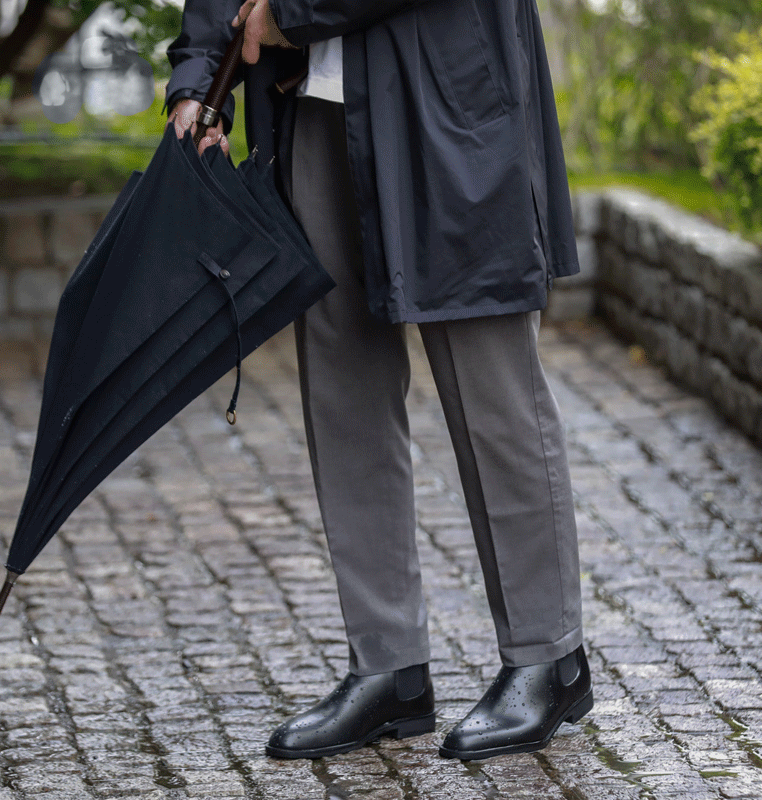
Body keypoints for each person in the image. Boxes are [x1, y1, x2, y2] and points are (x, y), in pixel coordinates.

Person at [165, 0, 593, 761]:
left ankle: (546, 657)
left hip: (447, 93)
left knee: (488, 384)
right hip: (313, 103)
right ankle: (387, 667)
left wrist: (289, 15)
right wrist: (202, 75)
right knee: (342, 387)